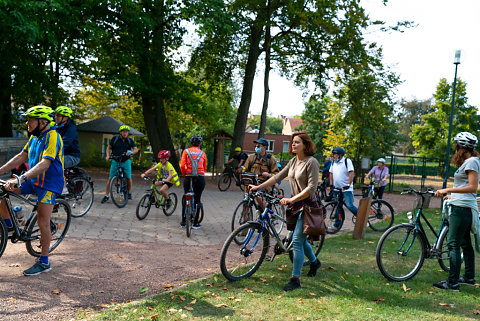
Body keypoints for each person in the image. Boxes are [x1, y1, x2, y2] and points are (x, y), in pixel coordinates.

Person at [250, 132, 322, 291]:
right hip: (295, 205)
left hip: (308, 205)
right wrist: (258, 187)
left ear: (305, 145)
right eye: (292, 142)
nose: (293, 145)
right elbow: (277, 178)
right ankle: (315, 262)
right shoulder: (293, 161)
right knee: (301, 241)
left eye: (297, 142)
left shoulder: (312, 162)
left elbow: (311, 188)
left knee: (296, 240)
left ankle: (295, 279)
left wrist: (291, 199)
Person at [0, 105, 64, 276]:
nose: (27, 123)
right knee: (4, 191)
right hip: (34, 180)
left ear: (42, 121)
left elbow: (45, 163)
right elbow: (21, 156)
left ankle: (44, 261)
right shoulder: (35, 137)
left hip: (50, 184)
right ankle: (8, 227)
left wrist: (21, 178)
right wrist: (0, 170)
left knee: (43, 221)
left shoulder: (52, 137)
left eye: (30, 120)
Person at [433, 132, 480, 290]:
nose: (454, 147)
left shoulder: (472, 162)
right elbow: (464, 187)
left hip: (462, 209)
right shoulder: (469, 161)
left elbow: (472, 187)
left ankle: (452, 282)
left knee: (453, 244)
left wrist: (447, 189)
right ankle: (469, 277)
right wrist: (451, 196)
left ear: (460, 146)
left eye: (456, 145)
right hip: (461, 205)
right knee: (465, 244)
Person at [101, 125, 138, 203]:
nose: (125, 133)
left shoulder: (130, 141)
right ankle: (106, 195)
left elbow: (135, 149)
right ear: (120, 132)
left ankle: (129, 192)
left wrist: (131, 152)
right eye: (124, 132)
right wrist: (107, 155)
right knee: (110, 178)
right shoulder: (115, 139)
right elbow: (108, 148)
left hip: (126, 161)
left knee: (128, 177)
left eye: (126, 132)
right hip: (115, 160)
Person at [180, 135, 207, 229]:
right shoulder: (203, 153)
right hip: (199, 177)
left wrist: (185, 175)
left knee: (185, 197)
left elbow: (182, 165)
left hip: (188, 177)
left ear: (191, 143)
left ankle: (183, 222)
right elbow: (205, 167)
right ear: (200, 144)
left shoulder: (186, 152)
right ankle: (195, 223)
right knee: (197, 199)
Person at [243, 137, 279, 207]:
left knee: (259, 198)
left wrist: (268, 175)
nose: (256, 148)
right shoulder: (251, 157)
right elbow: (245, 169)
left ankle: (267, 214)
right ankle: (245, 217)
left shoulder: (271, 159)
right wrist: (243, 172)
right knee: (246, 204)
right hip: (251, 183)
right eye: (256, 146)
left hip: (265, 185)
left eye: (258, 146)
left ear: (264, 147)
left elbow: (277, 175)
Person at [329, 147, 357, 226]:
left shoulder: (347, 161)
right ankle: (337, 225)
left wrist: (348, 185)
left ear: (340, 155)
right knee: (338, 207)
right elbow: (331, 173)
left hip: (346, 189)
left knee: (350, 205)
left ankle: (362, 218)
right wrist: (331, 184)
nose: (333, 155)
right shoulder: (333, 162)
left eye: (334, 154)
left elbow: (351, 173)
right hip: (337, 189)